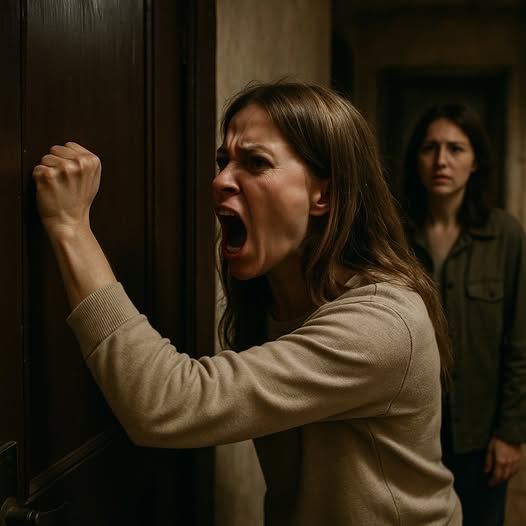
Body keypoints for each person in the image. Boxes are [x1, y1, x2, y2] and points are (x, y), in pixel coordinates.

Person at [33, 81, 461, 525]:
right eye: (224, 161)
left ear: (325, 194)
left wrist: (69, 226)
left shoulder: (383, 323)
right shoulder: (273, 300)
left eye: (256, 162)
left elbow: (165, 403)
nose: (220, 180)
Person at [401, 102, 526, 526]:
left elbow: (520, 341)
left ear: (476, 162)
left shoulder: (505, 236)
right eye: (430, 148)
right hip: (407, 435)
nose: (441, 161)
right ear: (415, 159)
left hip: (479, 436)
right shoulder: (391, 236)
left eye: (456, 148)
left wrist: (510, 433)